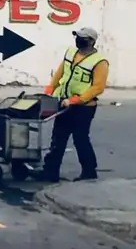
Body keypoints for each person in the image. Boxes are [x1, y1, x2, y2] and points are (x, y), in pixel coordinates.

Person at [39, 27, 109, 182]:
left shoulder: (99, 62)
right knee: (58, 138)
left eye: (82, 37)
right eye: (77, 36)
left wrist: (75, 100)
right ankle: (50, 172)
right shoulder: (71, 52)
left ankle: (89, 171)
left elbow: (98, 87)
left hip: (83, 107)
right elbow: (60, 72)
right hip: (64, 103)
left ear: (91, 41)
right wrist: (50, 89)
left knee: (81, 139)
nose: (78, 39)